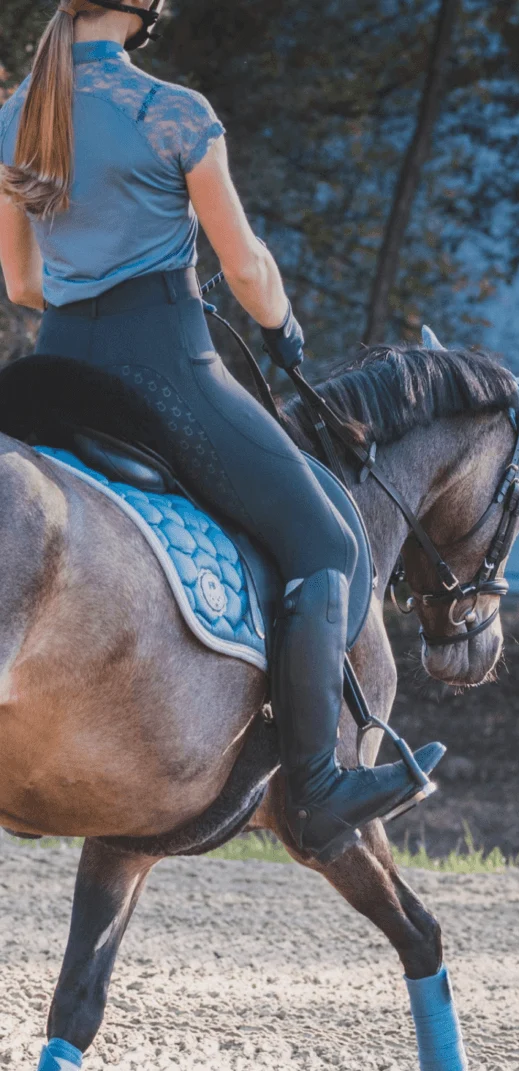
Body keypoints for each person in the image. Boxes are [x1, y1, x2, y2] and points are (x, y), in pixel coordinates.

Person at [0, 0, 428, 862]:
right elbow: (245, 266)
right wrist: (281, 328)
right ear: (143, 7)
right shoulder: (173, 114)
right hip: (166, 370)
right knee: (325, 542)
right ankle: (316, 782)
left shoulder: (13, 114)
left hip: (53, 372)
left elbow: (21, 282)